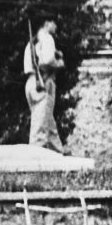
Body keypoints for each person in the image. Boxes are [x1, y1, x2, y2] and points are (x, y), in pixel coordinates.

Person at [23, 18, 66, 153]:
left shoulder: (32, 41)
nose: (56, 26)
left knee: (47, 122)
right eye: (54, 22)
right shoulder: (47, 38)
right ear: (47, 23)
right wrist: (59, 63)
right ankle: (36, 159)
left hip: (31, 83)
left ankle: (58, 152)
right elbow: (46, 61)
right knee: (40, 129)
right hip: (42, 83)